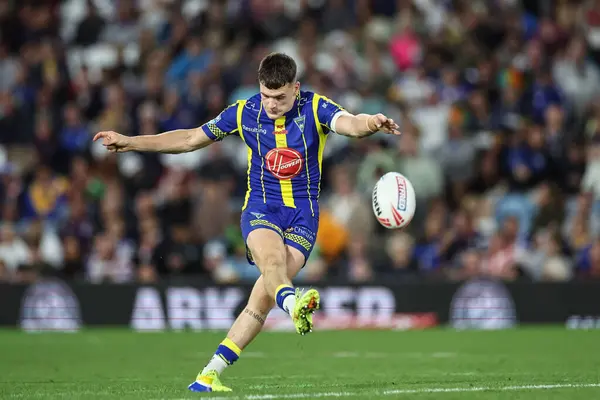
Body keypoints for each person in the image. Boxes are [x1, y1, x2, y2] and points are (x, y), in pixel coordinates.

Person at [93, 52, 400, 392]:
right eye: (266, 95)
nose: (271, 104)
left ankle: (209, 374)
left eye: (280, 97)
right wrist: (132, 142)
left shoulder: (315, 108)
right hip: (261, 209)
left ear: (296, 89)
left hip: (303, 217)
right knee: (272, 263)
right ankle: (293, 302)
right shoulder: (244, 112)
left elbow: (350, 123)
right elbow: (190, 139)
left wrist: (371, 123)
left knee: (261, 300)